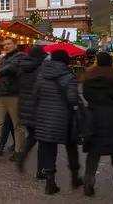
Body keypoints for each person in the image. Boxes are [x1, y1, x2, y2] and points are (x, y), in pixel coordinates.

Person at [81, 52, 113, 196]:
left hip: (93, 117)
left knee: (93, 152)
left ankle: (88, 182)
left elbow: (86, 95)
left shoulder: (89, 77)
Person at [34, 49, 81, 195]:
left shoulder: (42, 75)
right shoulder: (69, 76)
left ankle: (50, 182)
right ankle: (75, 177)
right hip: (64, 118)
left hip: (44, 117)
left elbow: (35, 95)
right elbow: (73, 99)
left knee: (48, 148)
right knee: (71, 146)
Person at [15, 45, 46, 174]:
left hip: (24, 106)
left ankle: (21, 155)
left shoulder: (22, 68)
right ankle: (41, 169)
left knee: (32, 136)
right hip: (39, 108)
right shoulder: (41, 69)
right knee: (44, 140)